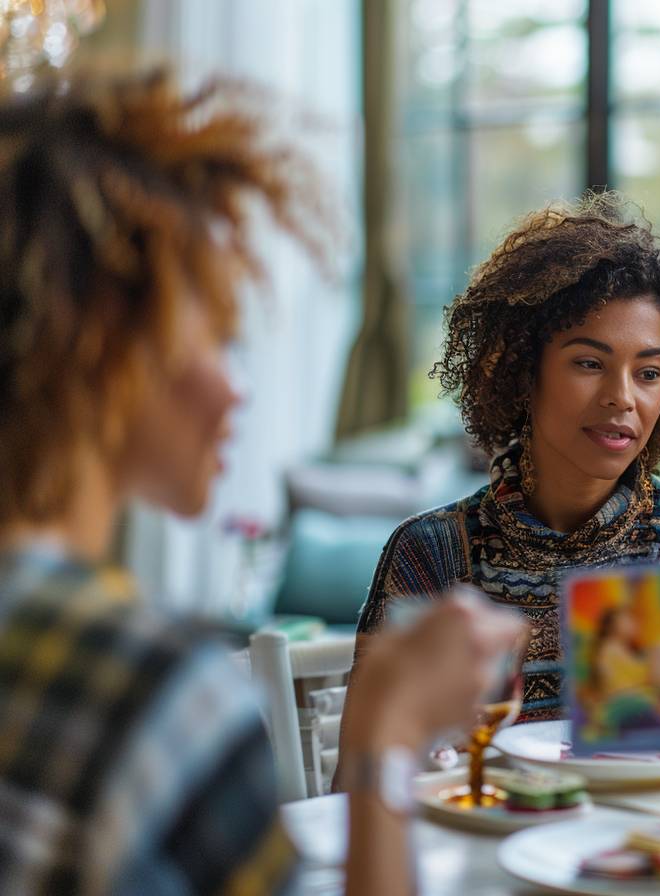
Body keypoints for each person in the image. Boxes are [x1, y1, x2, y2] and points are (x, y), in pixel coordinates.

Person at [0, 69, 523, 896]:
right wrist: (385, 736)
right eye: (220, 338)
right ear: (109, 349)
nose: (236, 389)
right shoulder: (158, 697)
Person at [341, 194, 660, 753]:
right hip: (480, 836)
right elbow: (366, 773)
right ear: (523, 369)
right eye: (589, 364)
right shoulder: (430, 554)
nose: (622, 398)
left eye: (648, 372)